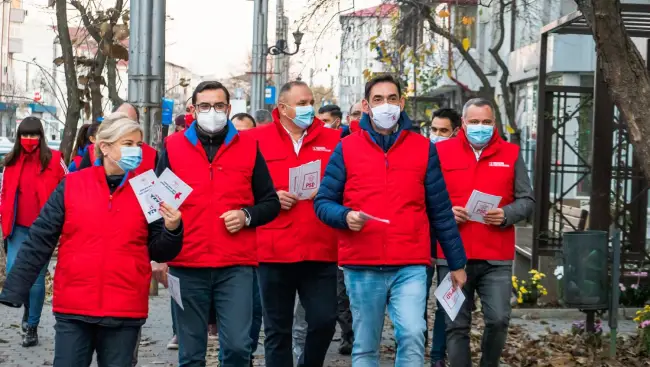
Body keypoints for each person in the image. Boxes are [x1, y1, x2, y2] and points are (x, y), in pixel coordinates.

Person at [0, 113, 184, 366]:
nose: (137, 151)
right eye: (128, 144)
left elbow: (160, 251)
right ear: (105, 147)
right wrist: (15, 290)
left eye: (139, 145)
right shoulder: (72, 184)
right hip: (73, 307)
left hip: (125, 308)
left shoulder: (148, 190)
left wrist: (173, 228)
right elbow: (40, 238)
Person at [313, 74, 468, 367]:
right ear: (366, 105)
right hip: (362, 264)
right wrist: (345, 216)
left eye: (392, 99)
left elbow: (440, 210)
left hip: (410, 263)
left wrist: (457, 263)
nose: (386, 105)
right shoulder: (347, 148)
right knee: (365, 344)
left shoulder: (423, 148)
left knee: (412, 334)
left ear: (402, 102)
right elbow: (322, 203)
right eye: (378, 99)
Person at [156, 81, 280, 367]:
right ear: (193, 109)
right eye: (204, 106)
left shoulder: (248, 146)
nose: (212, 111)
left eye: (218, 106)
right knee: (190, 354)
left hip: (235, 265)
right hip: (186, 264)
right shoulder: (173, 147)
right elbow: (157, 206)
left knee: (238, 347)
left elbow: (270, 202)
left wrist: (246, 216)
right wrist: (158, 256)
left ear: (229, 108)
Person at [244, 80, 340, 367]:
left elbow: (349, 185)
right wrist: (270, 197)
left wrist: (327, 190)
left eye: (310, 101)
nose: (308, 108)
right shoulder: (255, 140)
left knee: (324, 321)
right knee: (277, 329)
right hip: (274, 248)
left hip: (320, 246)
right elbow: (240, 187)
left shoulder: (334, 141)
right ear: (282, 108)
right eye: (301, 103)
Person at [435, 98, 534, 367]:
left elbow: (527, 200)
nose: (481, 127)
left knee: (499, 319)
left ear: (494, 124)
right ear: (463, 124)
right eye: (475, 122)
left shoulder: (511, 153)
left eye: (487, 122)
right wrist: (446, 213)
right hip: (452, 255)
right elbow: (425, 198)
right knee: (455, 325)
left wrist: (507, 214)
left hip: (496, 256)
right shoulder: (441, 152)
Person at [0, 116, 68, 347]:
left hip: (42, 231)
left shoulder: (56, 160)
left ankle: (31, 325)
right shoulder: (10, 161)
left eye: (34, 134)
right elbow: (6, 193)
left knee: (37, 280)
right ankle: (28, 312)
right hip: (16, 229)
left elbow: (68, 188)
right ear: (19, 137)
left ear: (41, 135)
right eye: (25, 135)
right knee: (13, 271)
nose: (29, 139)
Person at [423, 107, 462, 365]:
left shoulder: (462, 159)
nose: (437, 135)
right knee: (416, 300)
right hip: (422, 239)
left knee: (446, 300)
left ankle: (438, 355)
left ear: (456, 132)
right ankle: (415, 344)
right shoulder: (422, 155)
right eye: (433, 130)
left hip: (451, 239)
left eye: (443, 131)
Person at [78, 103, 158, 173]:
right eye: (121, 122)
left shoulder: (152, 155)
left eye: (130, 122)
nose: (126, 128)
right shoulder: (92, 151)